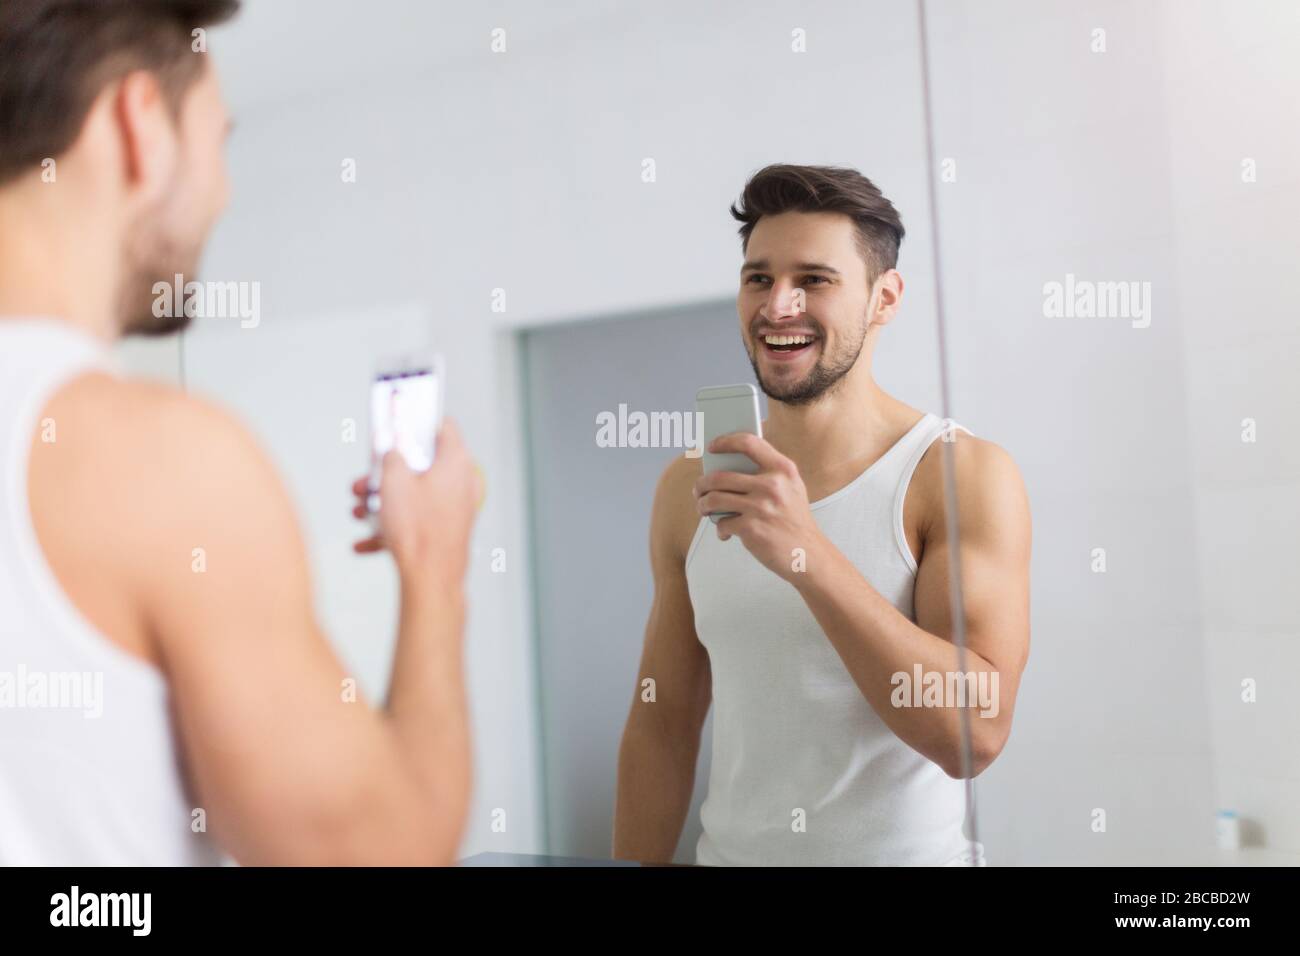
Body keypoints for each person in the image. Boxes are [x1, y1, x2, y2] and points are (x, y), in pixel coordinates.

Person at [0, 0, 481, 865]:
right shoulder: (158, 463)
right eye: (218, 141)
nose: (221, 190)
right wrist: (435, 566)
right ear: (139, 123)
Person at [613, 164, 1032, 865]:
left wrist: (806, 553)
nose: (779, 306)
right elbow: (664, 720)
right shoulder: (689, 486)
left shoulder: (959, 474)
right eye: (758, 278)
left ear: (884, 298)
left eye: (814, 279)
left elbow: (973, 736)